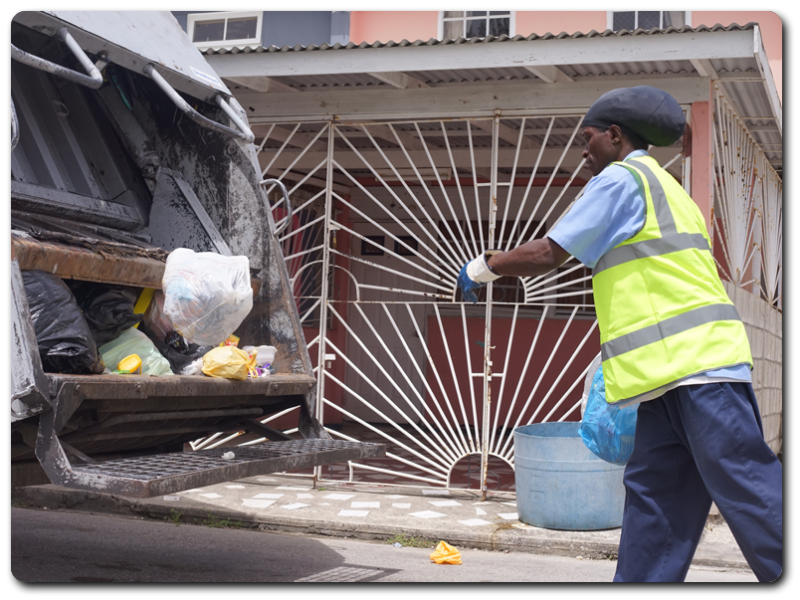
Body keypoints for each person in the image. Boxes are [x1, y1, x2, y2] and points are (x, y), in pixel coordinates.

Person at [457, 86, 782, 582]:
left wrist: (485, 266)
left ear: (615, 135)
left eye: (588, 138)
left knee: (749, 489)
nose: (583, 150)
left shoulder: (623, 179)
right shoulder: (666, 187)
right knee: (656, 505)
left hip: (699, 371)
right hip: (666, 381)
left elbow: (550, 252)